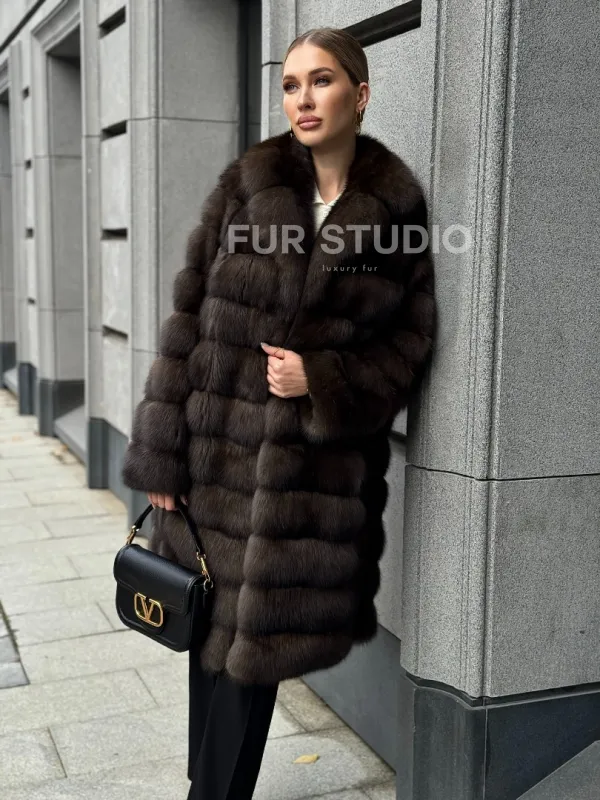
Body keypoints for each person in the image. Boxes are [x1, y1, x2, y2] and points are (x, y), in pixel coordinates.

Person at [121, 25, 437, 800]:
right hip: (217, 461)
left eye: (322, 80)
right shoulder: (248, 185)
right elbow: (187, 321)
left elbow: (407, 346)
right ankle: (205, 782)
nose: (303, 98)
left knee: (251, 654)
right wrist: (162, 452)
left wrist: (321, 378)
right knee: (206, 631)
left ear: (361, 94)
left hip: (305, 486)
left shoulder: (393, 209)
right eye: (292, 83)